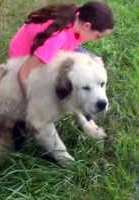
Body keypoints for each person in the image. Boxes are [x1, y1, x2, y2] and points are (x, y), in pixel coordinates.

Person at [9, 1, 114, 149]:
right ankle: (16, 142)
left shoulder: (77, 19)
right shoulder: (56, 38)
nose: (97, 40)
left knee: (90, 66)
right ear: (87, 26)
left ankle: (87, 119)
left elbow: (72, 48)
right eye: (98, 37)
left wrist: (90, 60)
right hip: (25, 62)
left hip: (54, 52)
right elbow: (23, 73)